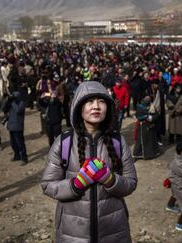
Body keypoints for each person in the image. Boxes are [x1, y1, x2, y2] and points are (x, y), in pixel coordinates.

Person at [41, 81, 137, 243]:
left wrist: (110, 179)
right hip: (73, 232)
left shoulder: (117, 142)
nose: (96, 107)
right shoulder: (63, 142)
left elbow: (131, 182)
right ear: (78, 107)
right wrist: (75, 184)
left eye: (101, 101)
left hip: (113, 230)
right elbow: (47, 184)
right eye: (89, 101)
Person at [2, 91, 28, 165]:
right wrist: (6, 100)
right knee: (13, 143)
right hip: (11, 126)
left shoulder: (22, 103)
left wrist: (13, 101)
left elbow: (18, 111)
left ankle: (24, 158)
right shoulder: (11, 103)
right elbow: (3, 109)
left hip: (18, 126)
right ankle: (17, 155)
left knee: (20, 143)